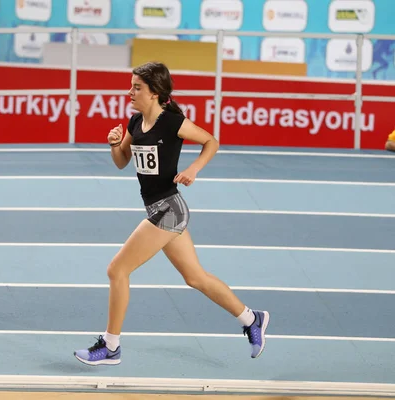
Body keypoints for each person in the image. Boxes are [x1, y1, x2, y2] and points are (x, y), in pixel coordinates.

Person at [73, 61, 270, 366]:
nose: (130, 92)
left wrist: (193, 168)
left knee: (117, 270)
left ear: (154, 93)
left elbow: (211, 141)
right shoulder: (134, 124)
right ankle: (251, 318)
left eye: (137, 87)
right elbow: (122, 161)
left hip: (169, 210)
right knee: (196, 277)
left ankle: (111, 346)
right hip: (159, 209)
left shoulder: (173, 122)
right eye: (131, 85)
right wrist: (114, 145)